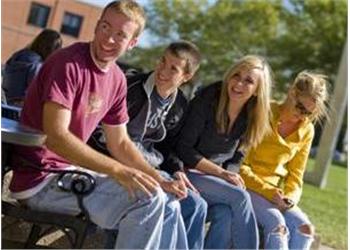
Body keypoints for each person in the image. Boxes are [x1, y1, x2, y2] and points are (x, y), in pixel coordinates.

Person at [8, 1, 178, 249]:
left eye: (120, 35)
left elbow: (119, 142)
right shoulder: (67, 64)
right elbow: (55, 137)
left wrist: (157, 177)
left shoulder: (117, 79)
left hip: (69, 173)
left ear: (132, 43)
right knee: (148, 199)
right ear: (97, 26)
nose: (108, 39)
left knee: (169, 200)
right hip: (40, 180)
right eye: (106, 28)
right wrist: (118, 171)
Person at [90, 40, 207, 249]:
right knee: (169, 204)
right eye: (163, 61)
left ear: (186, 77)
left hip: (150, 164)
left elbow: (168, 147)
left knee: (196, 205)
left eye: (173, 68)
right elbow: (102, 136)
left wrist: (177, 171)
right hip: (116, 161)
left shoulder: (180, 104)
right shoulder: (131, 88)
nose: (163, 70)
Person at [176, 55, 273, 249]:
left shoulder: (251, 116)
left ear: (257, 91)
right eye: (236, 75)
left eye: (248, 81)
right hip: (186, 172)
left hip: (213, 181)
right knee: (240, 197)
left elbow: (237, 156)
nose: (238, 83)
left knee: (225, 214)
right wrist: (222, 174)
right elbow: (183, 149)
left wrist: (230, 175)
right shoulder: (207, 100)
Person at [240, 71, 329, 250]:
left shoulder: (306, 130)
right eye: (300, 108)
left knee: (305, 228)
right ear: (292, 92)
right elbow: (241, 165)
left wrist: (290, 199)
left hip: (277, 196)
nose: (303, 116)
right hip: (247, 186)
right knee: (277, 225)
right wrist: (269, 192)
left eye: (309, 113)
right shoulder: (264, 112)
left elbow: (296, 175)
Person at [2, 29, 62, 105]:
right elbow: (39, 92)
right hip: (21, 109)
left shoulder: (17, 56)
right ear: (50, 50)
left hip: (6, 104)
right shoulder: (36, 65)